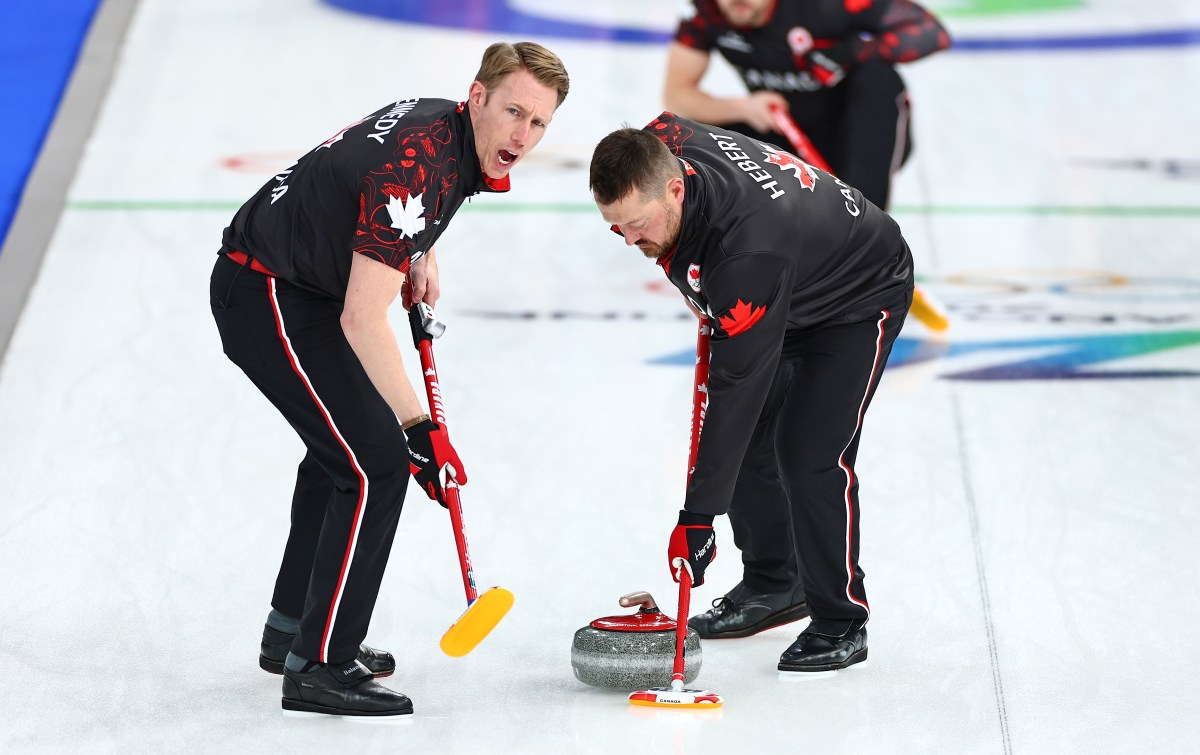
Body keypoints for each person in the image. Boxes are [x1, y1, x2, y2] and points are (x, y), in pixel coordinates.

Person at [209, 42, 569, 715]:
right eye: (514, 111)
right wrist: (420, 429)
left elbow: (368, 186)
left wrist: (417, 247)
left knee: (339, 453)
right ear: (479, 96)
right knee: (375, 461)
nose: (523, 135)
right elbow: (361, 316)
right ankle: (321, 664)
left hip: (299, 281)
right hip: (269, 293)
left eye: (540, 123)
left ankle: (294, 630)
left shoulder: (444, 127)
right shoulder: (425, 164)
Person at [589, 113, 912, 672]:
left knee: (809, 454)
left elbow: (734, 392)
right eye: (616, 227)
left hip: (856, 297)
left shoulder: (746, 254)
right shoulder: (661, 144)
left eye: (638, 224)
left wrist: (698, 517)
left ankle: (841, 619)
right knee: (749, 443)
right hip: (790, 273)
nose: (630, 240)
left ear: (675, 187)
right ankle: (774, 583)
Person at [665, 0, 950, 210]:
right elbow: (677, 95)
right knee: (678, 138)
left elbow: (932, 32)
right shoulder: (707, 12)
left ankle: (869, 229)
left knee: (878, 77)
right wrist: (745, 108)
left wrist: (849, 53)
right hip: (786, 135)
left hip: (856, 140)